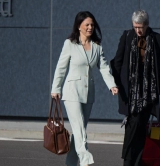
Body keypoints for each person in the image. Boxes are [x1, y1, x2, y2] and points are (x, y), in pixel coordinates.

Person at [51, 11, 118, 166]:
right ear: (79, 26)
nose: (90, 27)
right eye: (87, 24)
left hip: (88, 94)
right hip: (72, 92)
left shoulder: (96, 46)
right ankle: (86, 160)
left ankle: (71, 163)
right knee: (80, 128)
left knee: (78, 132)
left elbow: (104, 68)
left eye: (92, 25)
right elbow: (61, 68)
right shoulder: (70, 44)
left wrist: (112, 85)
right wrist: (56, 88)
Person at [111, 10, 160, 166]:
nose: (138, 30)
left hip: (148, 93)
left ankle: (136, 162)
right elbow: (117, 61)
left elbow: (159, 67)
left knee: (141, 128)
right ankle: (128, 160)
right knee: (133, 125)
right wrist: (115, 83)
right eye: (135, 26)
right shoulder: (127, 37)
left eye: (141, 27)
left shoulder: (157, 39)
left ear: (147, 25)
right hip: (130, 94)